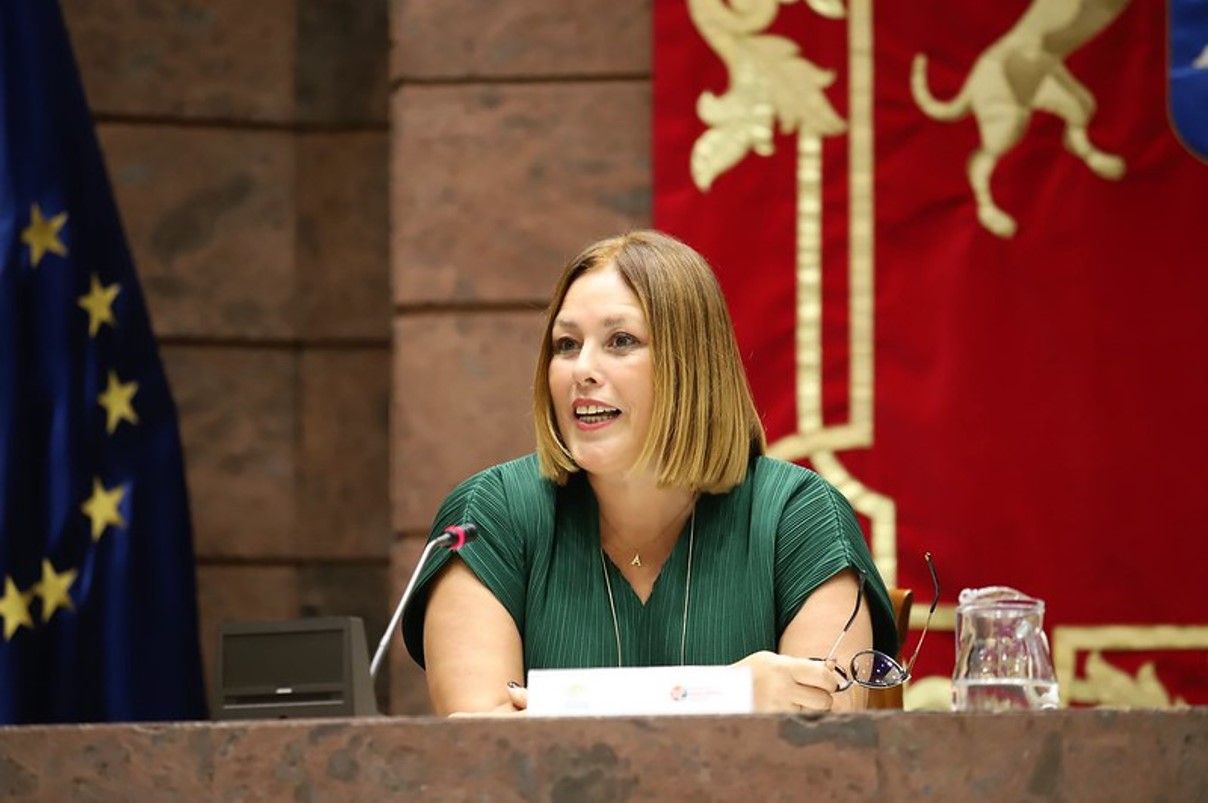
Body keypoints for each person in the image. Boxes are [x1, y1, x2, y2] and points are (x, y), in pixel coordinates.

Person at [402, 230, 897, 715]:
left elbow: (826, 725)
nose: (582, 370)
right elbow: (475, 744)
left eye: (620, 341)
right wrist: (731, 695)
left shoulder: (799, 515)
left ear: (693, 365)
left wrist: (553, 711)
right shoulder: (488, 518)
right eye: (566, 345)